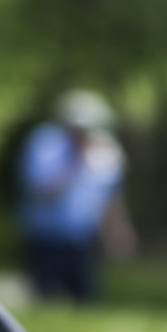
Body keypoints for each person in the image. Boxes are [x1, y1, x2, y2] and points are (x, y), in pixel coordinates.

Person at [16, 90, 126, 302]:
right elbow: (43, 192)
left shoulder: (105, 148)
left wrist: (117, 231)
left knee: (86, 299)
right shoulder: (44, 144)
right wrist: (74, 160)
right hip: (45, 236)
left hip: (82, 238)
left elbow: (111, 194)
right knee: (45, 299)